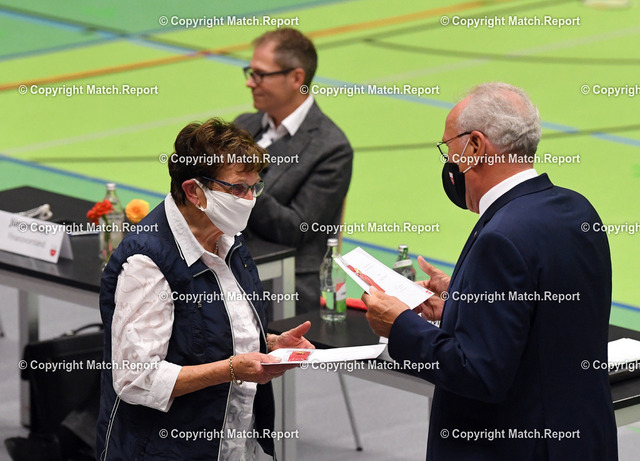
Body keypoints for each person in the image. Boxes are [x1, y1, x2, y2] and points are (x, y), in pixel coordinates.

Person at [362, 83, 618, 460]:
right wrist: (460, 303)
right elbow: (544, 321)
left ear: (475, 147)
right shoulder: (578, 210)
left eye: (448, 149)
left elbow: (479, 374)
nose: (449, 163)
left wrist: (399, 324)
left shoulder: (501, 236)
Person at [96, 118, 313, 460]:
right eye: (237, 188)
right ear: (194, 191)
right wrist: (232, 369)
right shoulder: (147, 263)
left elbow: (208, 332)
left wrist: (270, 344)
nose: (249, 200)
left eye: (254, 188)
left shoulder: (228, 238)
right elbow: (135, 379)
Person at [234, 28, 353, 314]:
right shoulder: (244, 125)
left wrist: (241, 183)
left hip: (285, 285)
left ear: (296, 78)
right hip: (228, 265)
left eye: (260, 74)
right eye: (250, 72)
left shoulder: (331, 148)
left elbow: (296, 229)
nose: (250, 82)